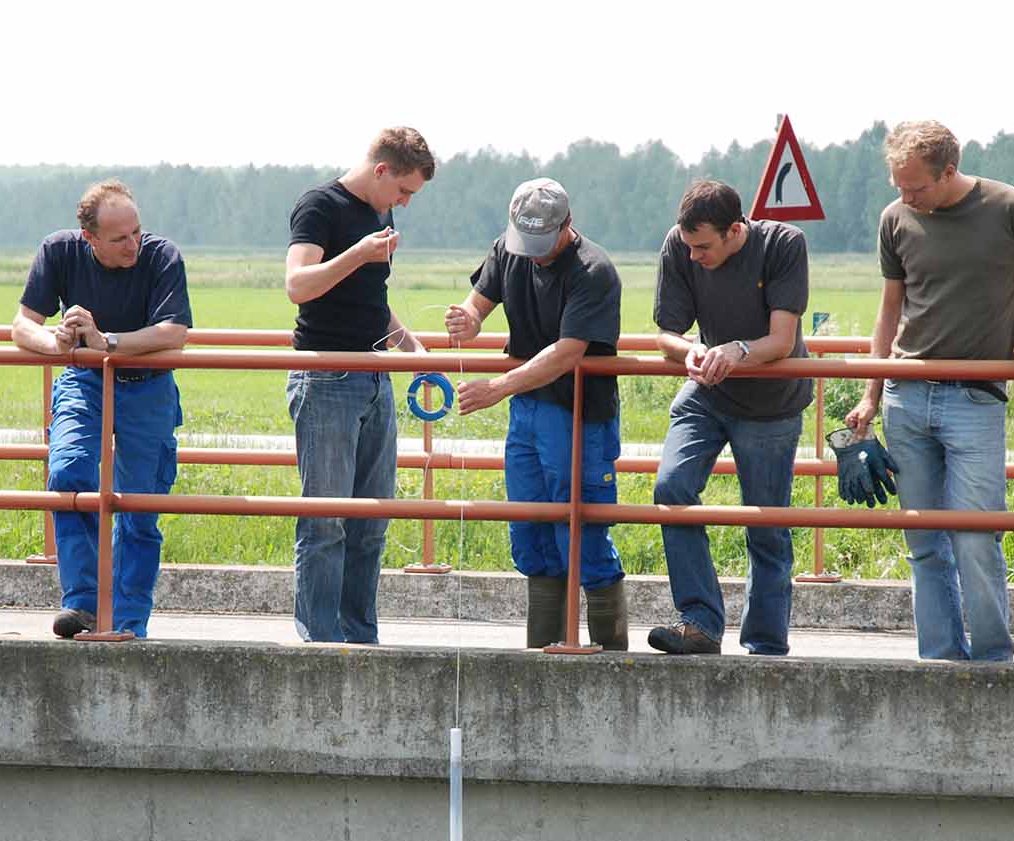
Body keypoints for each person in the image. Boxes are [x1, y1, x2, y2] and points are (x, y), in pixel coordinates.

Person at [844, 120, 1014, 662]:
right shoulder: (895, 219)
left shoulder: (1013, 208)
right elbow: (889, 311)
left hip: (975, 399)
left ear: (949, 171)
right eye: (898, 186)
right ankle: (941, 661)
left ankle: (994, 661)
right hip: (906, 393)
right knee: (924, 543)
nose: (906, 197)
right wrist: (870, 396)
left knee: (975, 537)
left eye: (916, 187)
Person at [443, 178, 627, 650]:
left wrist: (498, 387)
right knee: (530, 533)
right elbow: (479, 303)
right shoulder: (508, 251)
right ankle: (542, 655)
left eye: (542, 245)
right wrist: (468, 319)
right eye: (526, 244)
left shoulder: (594, 271)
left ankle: (613, 659)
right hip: (528, 411)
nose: (533, 254)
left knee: (581, 534)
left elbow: (569, 351)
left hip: (577, 413)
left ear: (567, 226)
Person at [12, 179, 191, 640]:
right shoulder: (58, 252)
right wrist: (58, 342)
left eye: (136, 232)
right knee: (68, 473)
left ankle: (129, 622)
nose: (133, 244)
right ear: (88, 239)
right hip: (85, 380)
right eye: (119, 239)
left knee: (137, 504)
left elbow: (173, 332)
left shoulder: (161, 255)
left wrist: (105, 341)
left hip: (147, 386)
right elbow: (21, 327)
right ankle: (86, 603)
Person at [283, 126, 437, 644]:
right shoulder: (319, 206)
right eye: (404, 192)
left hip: (375, 376)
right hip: (325, 377)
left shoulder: (380, 212)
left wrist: (408, 344)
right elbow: (297, 285)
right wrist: (357, 254)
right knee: (326, 523)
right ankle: (320, 642)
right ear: (381, 171)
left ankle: (360, 637)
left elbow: (371, 298)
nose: (405, 204)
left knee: (372, 520)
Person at [647, 179, 811, 657]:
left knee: (765, 526)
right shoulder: (680, 246)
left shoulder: (783, 245)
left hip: (771, 403)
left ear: (736, 230)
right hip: (707, 392)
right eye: (689, 246)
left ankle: (764, 644)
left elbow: (781, 341)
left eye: (704, 247)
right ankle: (699, 622)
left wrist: (737, 351)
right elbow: (666, 336)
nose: (694, 256)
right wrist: (693, 351)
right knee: (671, 489)